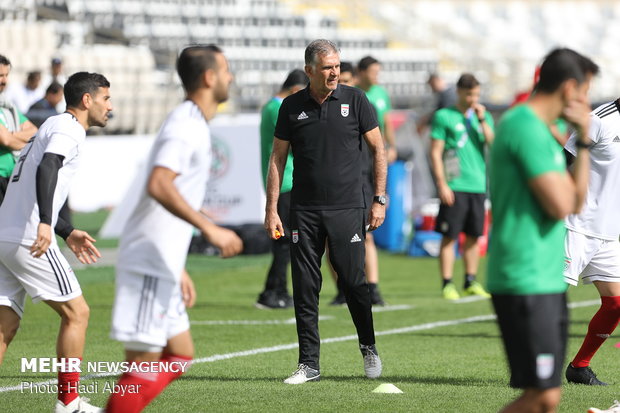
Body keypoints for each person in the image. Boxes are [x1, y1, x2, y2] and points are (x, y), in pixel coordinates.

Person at [106, 45, 243, 412]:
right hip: (147, 260)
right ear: (210, 77)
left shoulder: (194, 122)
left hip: (162, 261)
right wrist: (209, 229)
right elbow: (159, 184)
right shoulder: (185, 123)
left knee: (179, 356)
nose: (231, 77)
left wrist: (177, 265)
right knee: (142, 368)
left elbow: (169, 194)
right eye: (226, 70)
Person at [264, 39, 386, 384]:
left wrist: (379, 199)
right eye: (327, 68)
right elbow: (277, 158)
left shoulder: (356, 99)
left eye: (336, 66)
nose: (334, 73)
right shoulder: (290, 106)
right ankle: (309, 364)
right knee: (304, 286)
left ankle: (368, 346)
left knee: (353, 282)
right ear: (309, 71)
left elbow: (379, 150)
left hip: (348, 208)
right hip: (303, 210)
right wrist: (272, 209)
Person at [488, 47, 598, 413]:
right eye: (585, 91)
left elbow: (576, 201)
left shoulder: (545, 132)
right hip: (523, 275)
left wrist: (582, 141)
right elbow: (562, 204)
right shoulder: (524, 127)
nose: (586, 100)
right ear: (570, 88)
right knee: (541, 396)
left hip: (543, 275)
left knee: (546, 397)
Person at [0, 71, 111, 413]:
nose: (110, 106)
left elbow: (30, 184)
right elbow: (50, 166)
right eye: (106, 99)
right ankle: (69, 403)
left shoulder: (48, 128)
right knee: (77, 313)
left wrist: (66, 230)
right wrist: (47, 225)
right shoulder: (67, 128)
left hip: (5, 232)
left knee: (5, 323)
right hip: (28, 237)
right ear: (87, 100)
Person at [563, 97, 620, 386]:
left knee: (616, 304)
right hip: (576, 226)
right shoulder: (599, 119)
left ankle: (579, 367)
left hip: (609, 233)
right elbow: (563, 160)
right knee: (548, 300)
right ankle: (530, 366)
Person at [429, 73, 494, 300]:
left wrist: (483, 120)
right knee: (450, 236)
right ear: (458, 92)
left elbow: (492, 144)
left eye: (476, 94)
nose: (472, 98)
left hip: (477, 185)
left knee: (474, 236)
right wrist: (442, 184)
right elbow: (435, 152)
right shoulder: (444, 116)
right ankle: (447, 283)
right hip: (454, 184)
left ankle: (470, 280)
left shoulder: (481, 116)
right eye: (468, 94)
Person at [256, 69, 308, 310]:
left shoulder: (270, 106)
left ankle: (275, 289)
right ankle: (274, 291)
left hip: (284, 179)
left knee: (285, 239)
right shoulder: (279, 108)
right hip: (285, 180)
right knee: (285, 239)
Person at [0, 55, 38, 204]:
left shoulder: (8, 106)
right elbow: (6, 140)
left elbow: (34, 131)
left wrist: (11, 134)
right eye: (0, 75)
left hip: (11, 178)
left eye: (6, 75)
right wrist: (13, 137)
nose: (4, 80)